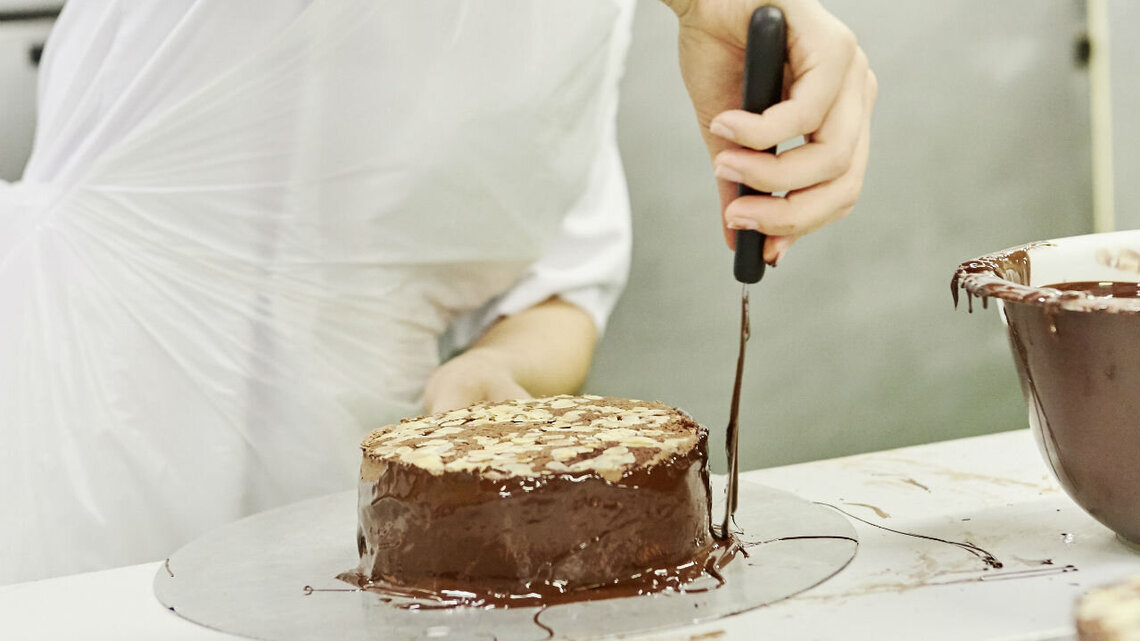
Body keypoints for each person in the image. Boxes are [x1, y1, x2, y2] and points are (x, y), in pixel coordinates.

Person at [0, 0, 874, 585]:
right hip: (82, 412)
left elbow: (558, 284)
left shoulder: (590, 22)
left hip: (358, 486)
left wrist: (491, 372)